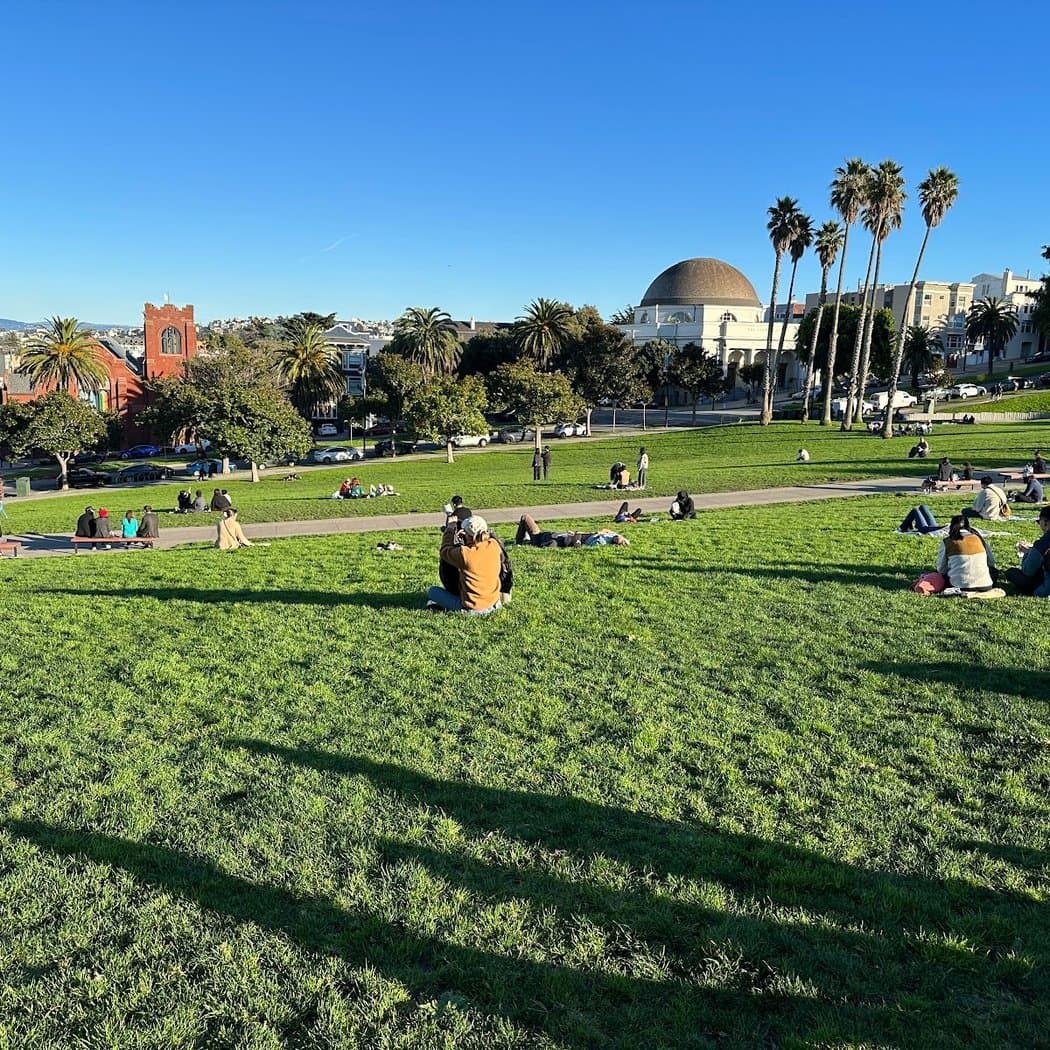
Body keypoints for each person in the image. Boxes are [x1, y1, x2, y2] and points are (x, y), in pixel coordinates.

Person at [427, 515, 503, 614]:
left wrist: (450, 528)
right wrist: (467, 539)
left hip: (474, 608)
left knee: (432, 591)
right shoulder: (494, 545)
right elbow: (478, 548)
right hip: (494, 602)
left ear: (468, 535)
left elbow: (445, 550)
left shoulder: (465, 554)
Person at [935, 515, 997, 593]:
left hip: (958, 585)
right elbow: (991, 562)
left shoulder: (947, 541)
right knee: (993, 571)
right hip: (985, 586)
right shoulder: (979, 538)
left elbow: (941, 569)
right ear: (968, 526)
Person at [1004, 505, 1050, 596]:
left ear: (1045, 522)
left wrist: (1027, 554)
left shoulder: (1042, 544)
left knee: (1011, 572)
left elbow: (1028, 571)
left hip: (1044, 589)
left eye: (1039, 522)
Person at [514, 513, 629, 547]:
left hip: (541, 538)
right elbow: (606, 530)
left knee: (525, 517)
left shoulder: (600, 542)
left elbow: (577, 543)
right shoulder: (608, 535)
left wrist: (575, 536)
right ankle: (525, 540)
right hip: (550, 535)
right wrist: (601, 532)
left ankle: (520, 542)